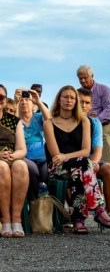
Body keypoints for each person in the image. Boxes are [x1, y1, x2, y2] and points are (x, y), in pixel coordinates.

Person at [43, 85, 110, 234]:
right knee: (83, 165)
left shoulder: (84, 122)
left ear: (75, 101)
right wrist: (65, 157)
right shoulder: (49, 123)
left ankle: (79, 220)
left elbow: (85, 151)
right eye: (65, 97)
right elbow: (56, 156)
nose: (68, 100)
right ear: (59, 99)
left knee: (79, 172)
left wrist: (66, 156)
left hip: (80, 167)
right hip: (58, 169)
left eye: (72, 98)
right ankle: (98, 210)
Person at [77, 88, 110, 228]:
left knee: (108, 168)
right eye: (81, 102)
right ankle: (75, 215)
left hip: (92, 161)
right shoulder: (69, 122)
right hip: (74, 162)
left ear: (91, 105)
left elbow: (98, 148)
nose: (84, 105)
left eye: (87, 103)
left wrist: (94, 162)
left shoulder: (95, 123)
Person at [0, 84, 29, 236]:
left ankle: (16, 220)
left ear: (5, 100)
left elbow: (22, 149)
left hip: (11, 157)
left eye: (1, 97)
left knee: (21, 166)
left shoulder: (14, 120)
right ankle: (5, 220)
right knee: (1, 167)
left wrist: (13, 156)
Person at [76, 65, 110, 166]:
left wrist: (94, 121)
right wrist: (87, 116)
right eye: (80, 78)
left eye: (85, 78)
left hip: (104, 127)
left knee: (107, 161)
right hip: (84, 128)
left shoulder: (104, 90)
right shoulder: (77, 93)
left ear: (92, 75)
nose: (83, 81)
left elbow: (108, 110)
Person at [17, 89, 51, 199]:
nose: (24, 102)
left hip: (43, 157)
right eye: (21, 100)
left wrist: (39, 102)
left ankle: (57, 206)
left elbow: (50, 119)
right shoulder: (15, 120)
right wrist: (15, 101)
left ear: (33, 104)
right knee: (33, 171)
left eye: (27, 100)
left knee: (48, 174)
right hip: (26, 157)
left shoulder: (37, 117)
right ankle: (34, 203)